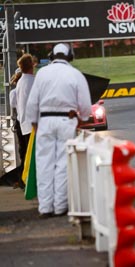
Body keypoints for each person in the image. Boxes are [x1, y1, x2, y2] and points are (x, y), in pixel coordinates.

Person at [26, 43, 92, 218]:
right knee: (63, 164)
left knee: (44, 165)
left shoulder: (42, 74)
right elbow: (85, 105)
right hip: (66, 120)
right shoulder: (75, 74)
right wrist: (82, 118)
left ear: (51, 56)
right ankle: (60, 206)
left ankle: (45, 208)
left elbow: (32, 102)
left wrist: (34, 122)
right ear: (70, 56)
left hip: (45, 120)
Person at [13, 54, 36, 189]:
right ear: (31, 65)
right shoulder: (32, 81)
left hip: (24, 123)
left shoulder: (21, 82)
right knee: (34, 157)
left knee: (27, 156)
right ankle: (30, 183)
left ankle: (25, 181)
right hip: (33, 124)